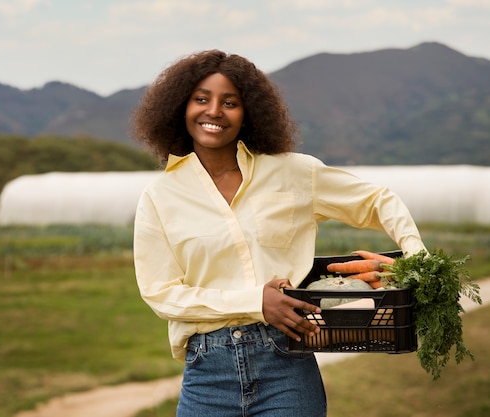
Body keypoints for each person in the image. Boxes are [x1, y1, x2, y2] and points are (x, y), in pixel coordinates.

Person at [130, 50, 426, 417]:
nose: (214, 111)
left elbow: (377, 200)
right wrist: (257, 301)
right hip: (207, 374)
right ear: (180, 107)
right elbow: (161, 294)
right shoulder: (160, 197)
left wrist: (418, 258)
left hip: (287, 363)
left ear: (248, 112)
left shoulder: (292, 173)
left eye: (230, 102)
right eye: (201, 99)